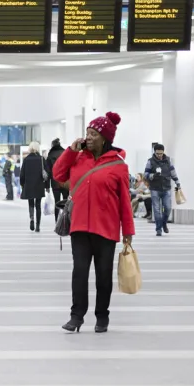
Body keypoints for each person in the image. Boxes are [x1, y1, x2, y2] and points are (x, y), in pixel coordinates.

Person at [52, 112, 135, 334]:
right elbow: (58, 174)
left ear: (105, 138)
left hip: (105, 229)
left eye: (93, 134)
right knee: (79, 272)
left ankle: (102, 316)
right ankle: (76, 316)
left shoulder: (118, 165)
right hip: (79, 227)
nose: (88, 137)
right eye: (87, 133)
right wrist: (71, 151)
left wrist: (128, 230)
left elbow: (125, 201)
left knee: (103, 275)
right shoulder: (78, 158)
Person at [145, 143, 181, 236]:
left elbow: (173, 172)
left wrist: (177, 182)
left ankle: (164, 223)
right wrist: (153, 175)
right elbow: (145, 175)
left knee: (168, 208)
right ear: (154, 152)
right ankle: (158, 229)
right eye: (157, 154)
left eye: (161, 153)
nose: (159, 155)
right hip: (155, 189)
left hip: (166, 188)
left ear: (163, 152)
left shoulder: (168, 161)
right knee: (157, 210)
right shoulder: (150, 161)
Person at [20, 142, 49, 232]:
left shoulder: (26, 160)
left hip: (29, 185)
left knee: (31, 203)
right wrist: (47, 186)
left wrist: (22, 185)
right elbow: (47, 173)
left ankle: (32, 218)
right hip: (39, 185)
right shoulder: (41, 159)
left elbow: (22, 174)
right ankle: (38, 226)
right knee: (38, 205)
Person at [46, 138, 69, 218]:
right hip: (65, 182)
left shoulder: (50, 155)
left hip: (55, 182)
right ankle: (65, 219)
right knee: (66, 201)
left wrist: (47, 185)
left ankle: (57, 221)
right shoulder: (65, 153)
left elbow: (48, 171)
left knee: (57, 201)